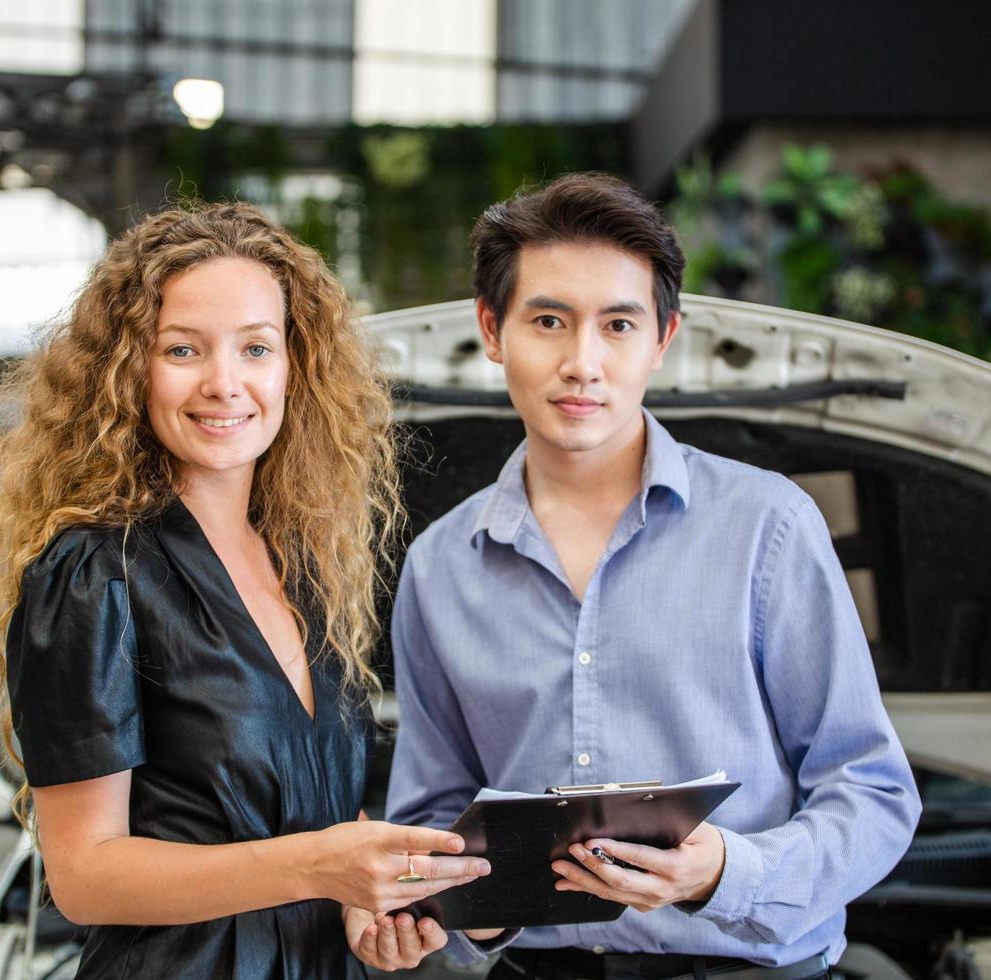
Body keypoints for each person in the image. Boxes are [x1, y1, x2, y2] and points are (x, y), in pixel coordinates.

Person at [385, 173, 922, 980]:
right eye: (549, 322)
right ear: (492, 330)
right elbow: (432, 815)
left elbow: (873, 793)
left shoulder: (768, 526)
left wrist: (725, 872)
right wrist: (457, 914)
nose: (583, 362)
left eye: (619, 325)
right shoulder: (437, 567)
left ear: (662, 339)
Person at [0, 201, 487, 979]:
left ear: (293, 366)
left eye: (255, 349)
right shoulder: (92, 572)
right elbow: (83, 876)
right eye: (182, 349)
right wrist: (318, 865)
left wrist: (367, 900)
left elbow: (315, 821)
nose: (224, 383)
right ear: (128, 370)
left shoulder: (301, 566)